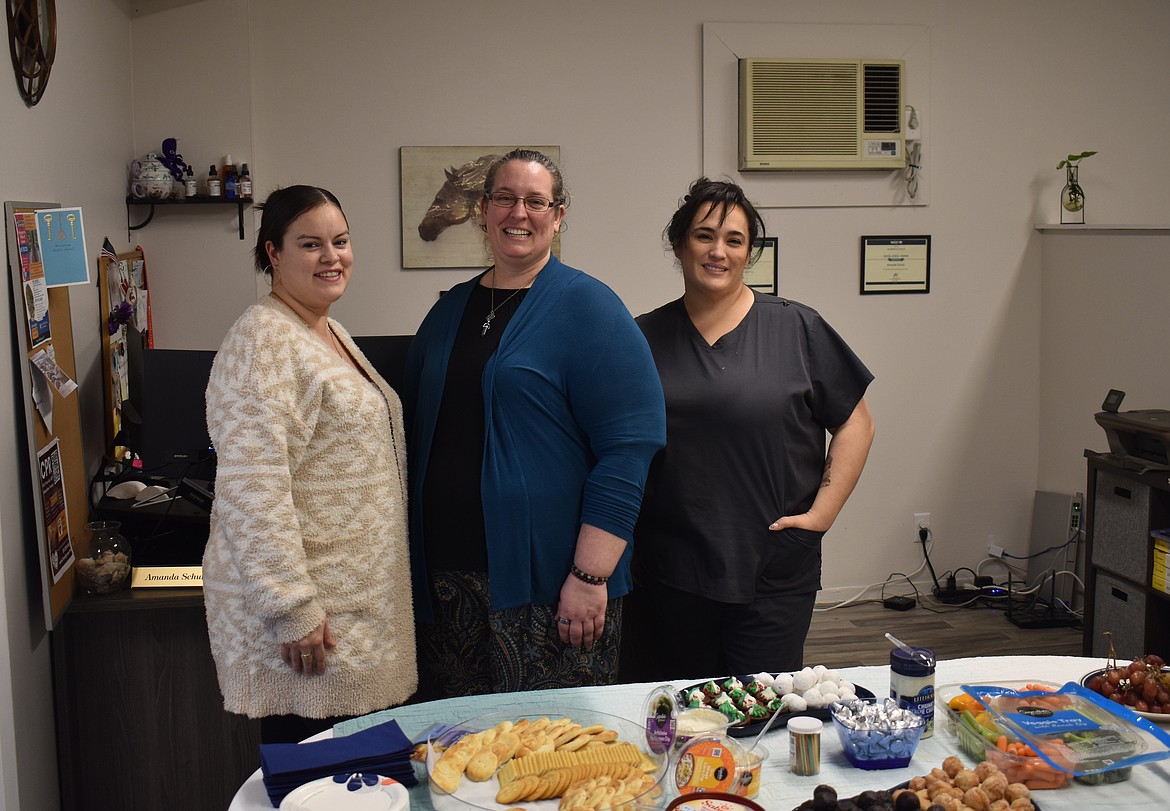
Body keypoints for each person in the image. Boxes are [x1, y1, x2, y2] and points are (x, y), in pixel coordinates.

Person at [402, 149, 665, 697]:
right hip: (448, 584)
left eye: (535, 201)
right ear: (482, 210)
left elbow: (629, 450)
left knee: (555, 759)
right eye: (504, 198)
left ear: (558, 215)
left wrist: (591, 576)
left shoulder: (589, 307)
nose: (518, 213)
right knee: (459, 753)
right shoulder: (448, 311)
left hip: (553, 587)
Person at [623, 177, 875, 680]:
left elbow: (856, 423)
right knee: (688, 712)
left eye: (734, 240)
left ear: (749, 252)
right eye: (704, 236)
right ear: (679, 245)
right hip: (673, 569)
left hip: (773, 566)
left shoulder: (797, 328)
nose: (719, 251)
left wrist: (820, 515)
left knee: (766, 717)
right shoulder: (642, 337)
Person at [203, 185, 416, 744]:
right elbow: (253, 487)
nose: (332, 257)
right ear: (272, 253)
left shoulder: (325, 330)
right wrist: (291, 608)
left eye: (340, 241)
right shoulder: (263, 338)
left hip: (353, 615)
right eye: (310, 244)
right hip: (314, 635)